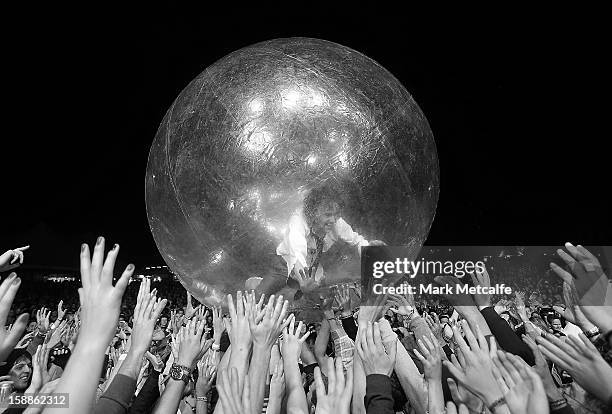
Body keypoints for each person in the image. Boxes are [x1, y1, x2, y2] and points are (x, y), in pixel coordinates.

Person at [256, 183, 384, 297]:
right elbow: (297, 251)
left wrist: (368, 248)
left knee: (317, 297)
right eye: (328, 215)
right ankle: (257, 283)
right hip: (285, 264)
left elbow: (356, 239)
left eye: (336, 214)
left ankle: (297, 291)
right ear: (313, 212)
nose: (333, 220)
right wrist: (303, 281)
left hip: (312, 269)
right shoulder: (298, 222)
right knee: (259, 295)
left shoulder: (336, 222)